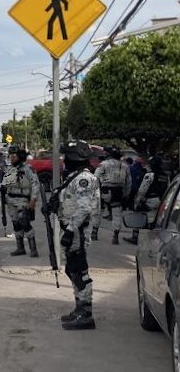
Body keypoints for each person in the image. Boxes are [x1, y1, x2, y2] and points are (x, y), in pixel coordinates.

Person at [56, 140, 101, 330]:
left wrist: (70, 230)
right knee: (72, 269)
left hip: (77, 231)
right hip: (71, 229)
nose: (64, 160)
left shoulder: (84, 179)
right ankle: (79, 307)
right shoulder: (74, 177)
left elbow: (84, 208)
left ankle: (86, 314)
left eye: (66, 156)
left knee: (80, 271)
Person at [1, 145, 40, 257]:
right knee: (16, 224)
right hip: (11, 200)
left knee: (25, 223)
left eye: (14, 156)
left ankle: (33, 249)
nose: (12, 158)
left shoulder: (28, 168)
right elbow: (6, 184)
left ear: (20, 156)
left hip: (23, 200)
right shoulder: (10, 169)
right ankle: (20, 248)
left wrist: (33, 200)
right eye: (10, 156)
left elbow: (35, 184)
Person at [123, 156, 170, 245]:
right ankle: (155, 241)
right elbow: (167, 188)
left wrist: (137, 201)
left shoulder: (150, 175)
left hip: (149, 200)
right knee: (156, 221)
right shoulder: (166, 176)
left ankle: (134, 237)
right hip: (160, 201)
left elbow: (142, 190)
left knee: (137, 214)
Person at [92, 146, 131, 244]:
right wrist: (126, 194)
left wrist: (95, 191)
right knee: (117, 214)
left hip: (105, 190)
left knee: (99, 212)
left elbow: (95, 178)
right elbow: (128, 182)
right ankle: (115, 236)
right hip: (118, 191)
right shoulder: (125, 166)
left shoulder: (103, 164)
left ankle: (94, 233)